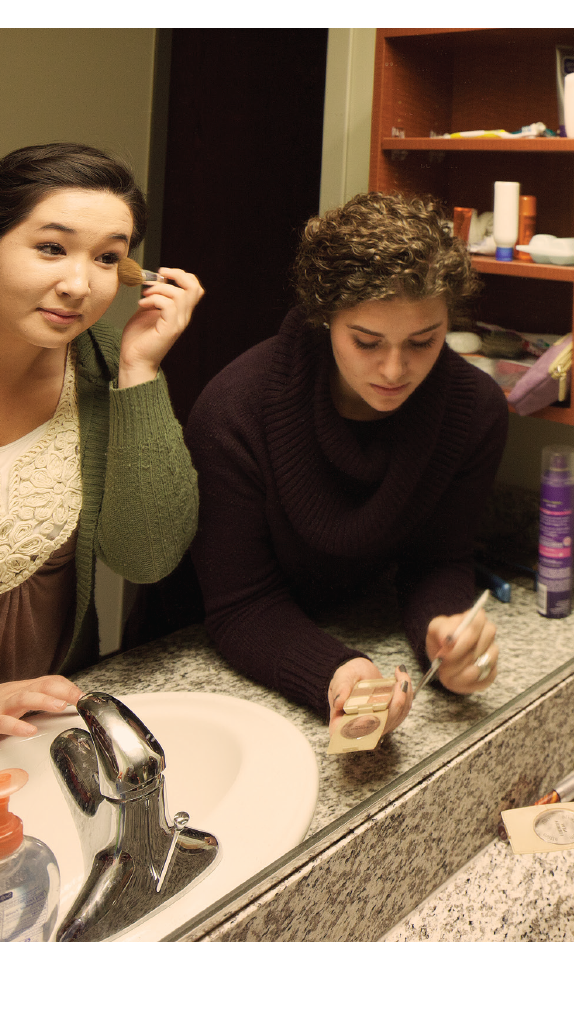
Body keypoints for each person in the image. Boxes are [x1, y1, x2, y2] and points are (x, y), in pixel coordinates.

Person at [0, 142, 203, 755]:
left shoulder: (105, 364)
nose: (78, 284)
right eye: (51, 247)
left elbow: (148, 555)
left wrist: (139, 373)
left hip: (48, 740)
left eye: (108, 258)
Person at [186, 192, 508, 749]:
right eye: (366, 342)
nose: (394, 369)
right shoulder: (233, 411)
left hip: (345, 619)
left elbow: (439, 558)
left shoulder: (474, 411)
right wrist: (337, 672)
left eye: (423, 341)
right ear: (325, 317)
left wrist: (443, 629)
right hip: (201, 661)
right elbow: (241, 606)